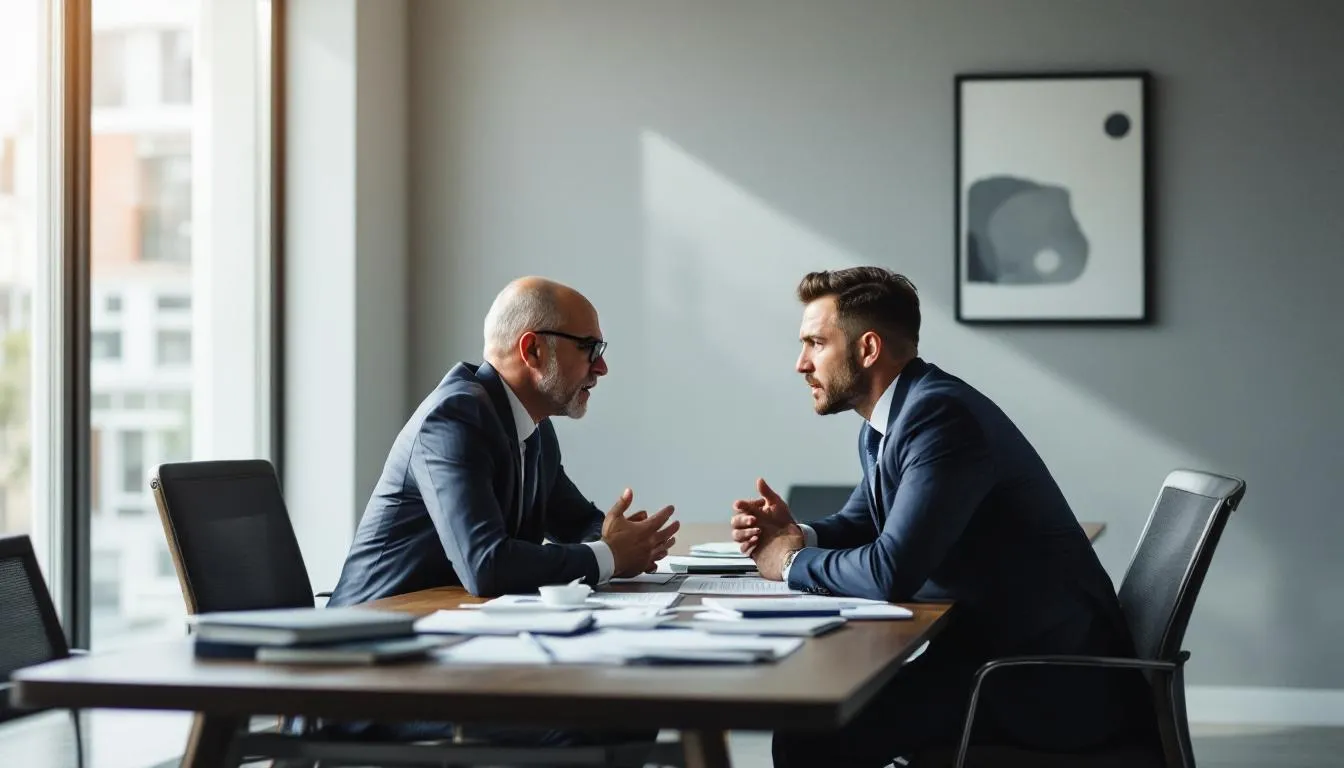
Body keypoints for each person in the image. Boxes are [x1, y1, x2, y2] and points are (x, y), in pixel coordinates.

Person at [731, 267, 1152, 767]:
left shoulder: (939, 418)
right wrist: (796, 534)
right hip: (993, 659)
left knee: (813, 734)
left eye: (815, 343)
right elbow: (864, 521)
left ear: (867, 349)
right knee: (818, 725)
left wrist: (789, 563)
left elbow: (891, 571)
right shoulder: (893, 418)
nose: (801, 363)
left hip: (1043, 685)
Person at [324, 276, 677, 753]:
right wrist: (609, 556)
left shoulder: (531, 426)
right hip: (373, 674)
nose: (603, 366)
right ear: (532, 350)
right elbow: (485, 566)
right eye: (590, 348)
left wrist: (622, 539)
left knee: (631, 707)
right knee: (598, 723)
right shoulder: (454, 419)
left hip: (449, 651)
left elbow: (574, 520)